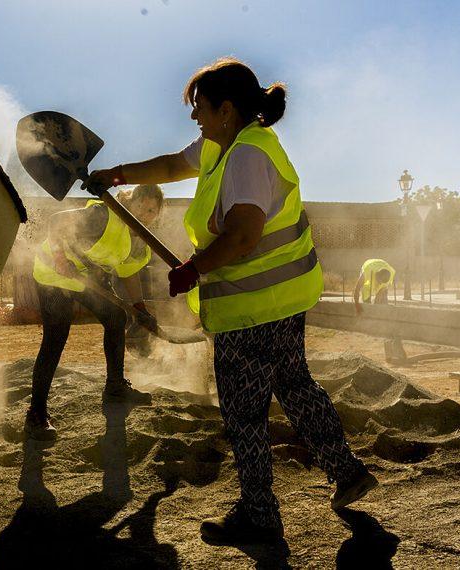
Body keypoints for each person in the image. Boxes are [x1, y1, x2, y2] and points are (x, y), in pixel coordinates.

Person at [85, 57, 378, 544]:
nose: (194, 117)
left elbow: (243, 234)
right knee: (297, 388)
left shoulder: (245, 157)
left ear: (226, 109)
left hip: (252, 310)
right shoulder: (224, 145)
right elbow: (172, 164)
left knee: (244, 414)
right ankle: (347, 472)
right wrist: (116, 174)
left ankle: (260, 517)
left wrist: (192, 269)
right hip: (280, 301)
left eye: (199, 107)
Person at [25, 184, 164, 441]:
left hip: (86, 278)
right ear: (131, 203)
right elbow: (56, 221)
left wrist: (140, 308)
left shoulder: (138, 240)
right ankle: (36, 413)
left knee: (116, 317)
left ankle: (115, 387)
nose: (145, 214)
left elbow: (130, 272)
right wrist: (59, 258)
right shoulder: (103, 215)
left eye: (152, 211)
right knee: (56, 338)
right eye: (142, 207)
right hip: (53, 275)